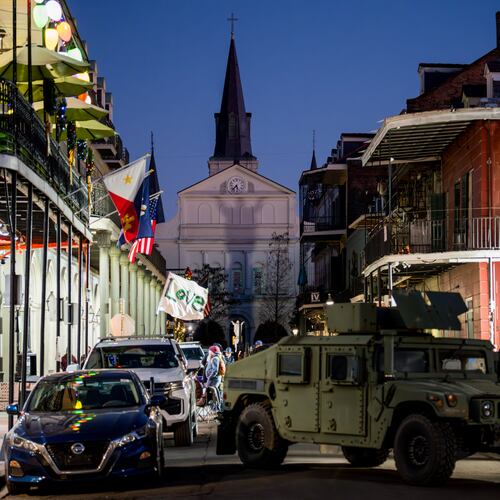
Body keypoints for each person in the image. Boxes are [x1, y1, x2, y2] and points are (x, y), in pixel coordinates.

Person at [204, 345, 223, 411]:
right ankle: (216, 407)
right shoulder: (215, 357)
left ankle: (216, 408)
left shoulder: (215, 358)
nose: (209, 352)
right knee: (214, 393)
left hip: (214, 379)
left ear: (212, 352)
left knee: (213, 393)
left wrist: (209, 376)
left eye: (210, 351)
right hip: (214, 379)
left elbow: (215, 370)